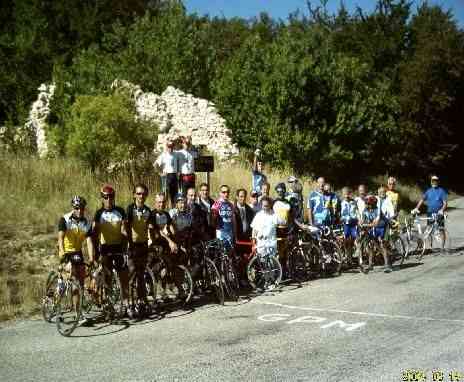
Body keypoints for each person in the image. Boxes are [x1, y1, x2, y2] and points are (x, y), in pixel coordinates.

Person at [93, 185, 130, 314]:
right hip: (105, 248)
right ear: (102, 198)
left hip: (118, 247)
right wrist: (96, 253)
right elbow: (95, 234)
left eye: (111, 197)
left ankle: (126, 304)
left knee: (124, 277)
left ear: (114, 197)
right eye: (105, 197)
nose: (108, 199)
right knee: (107, 278)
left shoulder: (120, 211)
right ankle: (108, 304)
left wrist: (126, 249)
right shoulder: (99, 214)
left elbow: (124, 231)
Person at [58, 196, 95, 316]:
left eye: (82, 208)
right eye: (77, 208)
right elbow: (60, 238)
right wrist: (62, 253)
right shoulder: (65, 219)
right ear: (73, 208)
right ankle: (55, 298)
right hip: (66, 251)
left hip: (77, 252)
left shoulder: (86, 222)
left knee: (79, 283)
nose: (80, 211)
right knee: (68, 275)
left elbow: (89, 242)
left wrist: (91, 258)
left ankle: (77, 312)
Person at [126, 184, 151, 317]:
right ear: (134, 194)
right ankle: (130, 304)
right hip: (133, 246)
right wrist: (130, 244)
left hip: (143, 246)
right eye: (139, 193)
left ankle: (141, 302)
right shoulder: (130, 209)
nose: (141, 196)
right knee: (131, 276)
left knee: (141, 276)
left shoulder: (147, 210)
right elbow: (126, 228)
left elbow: (152, 227)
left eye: (143, 194)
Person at [412, 175, 448, 247]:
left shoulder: (441, 191)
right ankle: (430, 246)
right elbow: (422, 200)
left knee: (441, 229)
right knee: (429, 229)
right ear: (431, 182)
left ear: (438, 182)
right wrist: (416, 208)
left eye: (436, 181)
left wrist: (442, 210)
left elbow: (445, 203)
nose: (434, 182)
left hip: (439, 213)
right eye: (433, 181)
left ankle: (442, 247)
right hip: (430, 213)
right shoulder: (428, 191)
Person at [360, 195, 392, 273]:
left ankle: (387, 265)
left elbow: (375, 223)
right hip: (374, 227)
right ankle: (370, 264)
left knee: (382, 244)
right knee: (371, 245)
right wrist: (361, 225)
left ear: (373, 204)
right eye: (366, 204)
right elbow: (363, 221)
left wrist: (365, 225)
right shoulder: (365, 210)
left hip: (383, 226)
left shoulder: (378, 211)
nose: (366, 205)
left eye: (368, 204)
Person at [211, 184, 237, 249]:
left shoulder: (231, 204)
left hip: (229, 233)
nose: (226, 194)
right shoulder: (216, 204)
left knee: (229, 253)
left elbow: (233, 220)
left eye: (227, 192)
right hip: (221, 232)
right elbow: (212, 220)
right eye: (223, 192)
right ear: (220, 193)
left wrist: (234, 233)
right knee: (221, 253)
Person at [340, 187, 359, 269]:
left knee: (354, 240)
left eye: (348, 193)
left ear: (350, 193)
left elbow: (357, 211)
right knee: (346, 241)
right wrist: (343, 219)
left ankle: (351, 258)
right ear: (342, 194)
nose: (346, 195)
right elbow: (340, 214)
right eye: (345, 194)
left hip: (353, 224)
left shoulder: (353, 202)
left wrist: (357, 218)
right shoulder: (341, 203)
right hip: (346, 224)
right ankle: (348, 259)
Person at [154, 141, 178, 207]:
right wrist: (160, 173)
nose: (170, 148)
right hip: (167, 176)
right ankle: (165, 209)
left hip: (174, 176)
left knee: (174, 195)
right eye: (169, 147)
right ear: (167, 147)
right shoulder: (163, 155)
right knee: (165, 194)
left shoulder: (176, 154)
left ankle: (173, 210)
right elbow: (155, 164)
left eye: (172, 146)